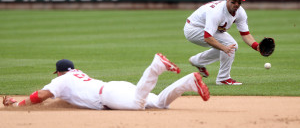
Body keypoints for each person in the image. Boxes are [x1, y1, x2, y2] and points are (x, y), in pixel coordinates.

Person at [3, 53, 209, 110]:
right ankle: (189, 81)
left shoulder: (61, 80)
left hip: (110, 95)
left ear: (58, 72)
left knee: (138, 104)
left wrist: (17, 105)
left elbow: (39, 96)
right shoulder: (76, 74)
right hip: (115, 88)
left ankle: (156, 66)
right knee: (159, 104)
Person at [184, 0, 260, 85]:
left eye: (239, 2)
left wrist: (256, 46)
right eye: (234, 1)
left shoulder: (240, 12)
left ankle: (198, 61)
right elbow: (207, 37)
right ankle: (223, 79)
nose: (237, 4)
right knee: (229, 45)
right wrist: (224, 48)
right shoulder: (217, 12)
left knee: (231, 46)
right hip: (193, 29)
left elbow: (245, 34)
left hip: (206, 29)